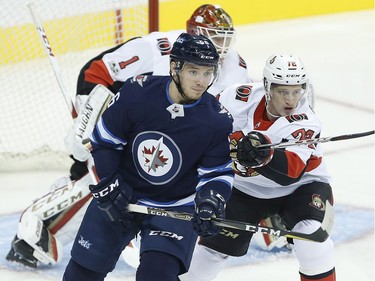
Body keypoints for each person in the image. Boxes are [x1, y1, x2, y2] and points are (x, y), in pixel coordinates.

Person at [6, 4, 250, 269]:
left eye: (226, 37)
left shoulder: (235, 64)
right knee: (107, 180)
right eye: (215, 35)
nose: (221, 45)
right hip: (133, 130)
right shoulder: (157, 47)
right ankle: (38, 224)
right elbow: (96, 72)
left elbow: (238, 113)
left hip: (183, 142)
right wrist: (91, 123)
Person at [62, 32, 234, 281]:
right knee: (83, 272)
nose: (201, 81)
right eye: (194, 71)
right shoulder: (137, 92)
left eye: (208, 73)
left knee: (157, 276)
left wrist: (210, 202)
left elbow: (217, 174)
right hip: (122, 193)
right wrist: (109, 181)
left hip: (175, 206)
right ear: (175, 67)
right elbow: (106, 142)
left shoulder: (216, 120)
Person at [180, 54, 336, 281]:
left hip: (301, 189)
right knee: (208, 256)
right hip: (244, 190)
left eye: (296, 91)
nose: (291, 100)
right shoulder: (237, 98)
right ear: (267, 87)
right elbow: (199, 124)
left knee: (312, 243)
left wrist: (265, 156)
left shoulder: (306, 121)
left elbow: (291, 174)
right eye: (283, 91)